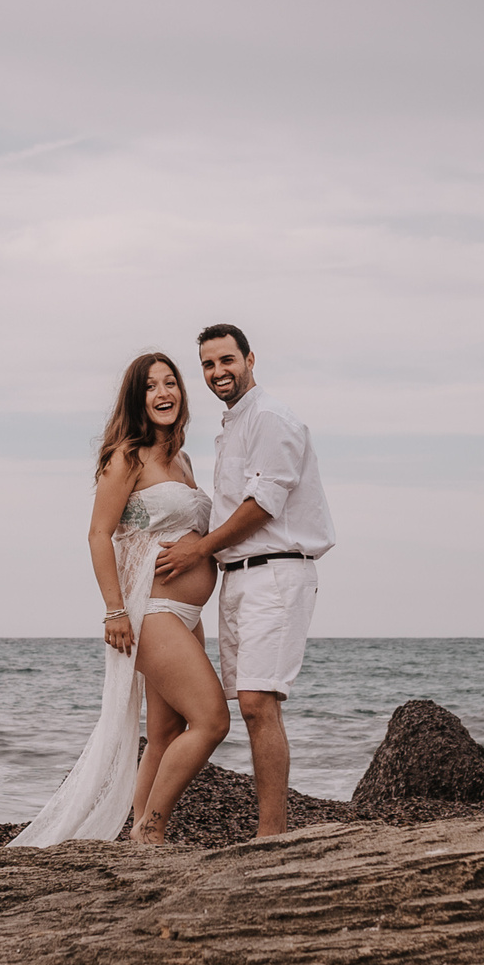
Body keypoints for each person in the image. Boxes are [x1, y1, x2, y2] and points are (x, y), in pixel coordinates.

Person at [12, 352, 229, 847]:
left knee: (169, 731)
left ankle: (141, 830)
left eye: (170, 383)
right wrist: (113, 610)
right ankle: (150, 830)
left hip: (187, 615)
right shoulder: (126, 458)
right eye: (151, 386)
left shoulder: (183, 459)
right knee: (213, 720)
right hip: (149, 612)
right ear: (137, 398)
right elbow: (98, 534)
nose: (163, 393)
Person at [152, 323, 334, 837]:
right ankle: (263, 832)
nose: (217, 373)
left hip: (275, 572)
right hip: (241, 579)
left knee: (258, 702)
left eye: (226, 361)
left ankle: (269, 836)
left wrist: (198, 550)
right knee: (252, 703)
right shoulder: (233, 427)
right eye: (208, 365)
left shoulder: (271, 419)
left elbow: (263, 505)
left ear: (250, 359)